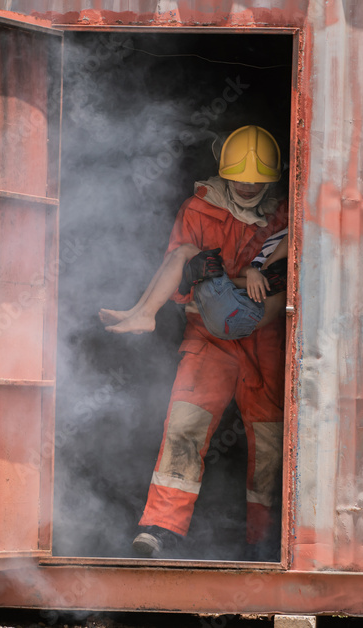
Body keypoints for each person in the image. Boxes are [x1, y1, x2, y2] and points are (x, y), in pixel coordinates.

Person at [115, 125, 290, 559]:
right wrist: (219, 280)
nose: (247, 186)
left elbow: (292, 275)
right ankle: (160, 528)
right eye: (240, 178)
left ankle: (264, 539)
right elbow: (178, 278)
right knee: (184, 427)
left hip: (265, 339)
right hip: (207, 337)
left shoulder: (288, 213)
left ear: (272, 179)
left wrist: (244, 277)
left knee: (271, 440)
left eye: (257, 180)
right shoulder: (198, 208)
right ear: (224, 173)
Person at [98, 228, 290, 339]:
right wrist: (251, 273)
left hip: (244, 313)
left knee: (186, 252)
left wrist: (220, 278)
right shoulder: (278, 237)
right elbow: (253, 273)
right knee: (178, 255)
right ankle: (137, 311)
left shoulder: (293, 237)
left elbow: (268, 280)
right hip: (232, 315)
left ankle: (146, 315)